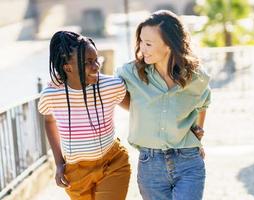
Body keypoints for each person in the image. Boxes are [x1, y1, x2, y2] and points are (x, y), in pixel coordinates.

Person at [116, 10, 211, 200]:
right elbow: (113, 93)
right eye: (141, 41)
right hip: (150, 166)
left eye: (149, 44)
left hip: (188, 161)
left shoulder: (196, 76)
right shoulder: (130, 73)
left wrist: (199, 130)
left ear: (169, 44)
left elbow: (204, 102)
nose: (142, 48)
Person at [38, 31, 130, 200]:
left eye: (96, 60)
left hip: (112, 163)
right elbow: (49, 121)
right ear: (68, 68)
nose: (96, 66)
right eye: (88, 62)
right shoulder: (51, 95)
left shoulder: (112, 85)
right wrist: (59, 163)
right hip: (76, 172)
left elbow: (137, 107)